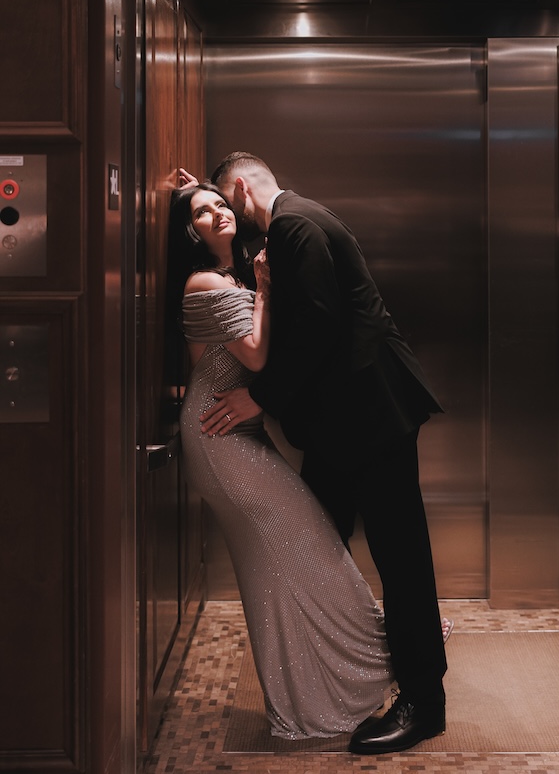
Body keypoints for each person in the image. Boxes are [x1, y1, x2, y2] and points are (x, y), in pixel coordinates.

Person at [178, 152, 449, 754]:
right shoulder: (292, 223)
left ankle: (424, 701)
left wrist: (258, 399)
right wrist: (195, 188)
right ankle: (340, 678)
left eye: (226, 201)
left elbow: (321, 327)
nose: (229, 217)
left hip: (371, 419)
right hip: (346, 424)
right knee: (317, 543)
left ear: (242, 190)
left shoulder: (295, 227)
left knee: (398, 555)